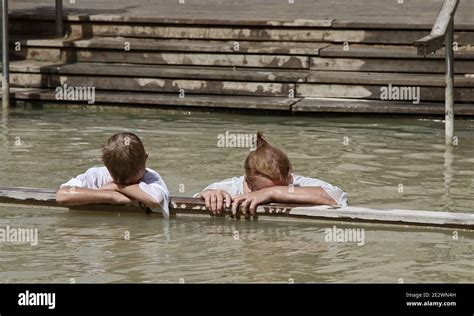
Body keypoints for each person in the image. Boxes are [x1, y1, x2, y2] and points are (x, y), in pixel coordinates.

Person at [197, 131, 347, 217]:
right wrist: (208, 195)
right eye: (261, 190)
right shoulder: (229, 189)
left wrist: (271, 193)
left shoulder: (298, 184)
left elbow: (337, 197)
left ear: (290, 176)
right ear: (247, 182)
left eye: (283, 188)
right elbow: (194, 202)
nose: (272, 194)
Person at [56, 132, 170, 217]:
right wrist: (112, 196)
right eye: (120, 181)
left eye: (132, 181)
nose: (127, 183)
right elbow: (62, 195)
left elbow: (155, 200)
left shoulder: (151, 178)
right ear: (146, 158)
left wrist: (117, 186)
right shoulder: (96, 175)